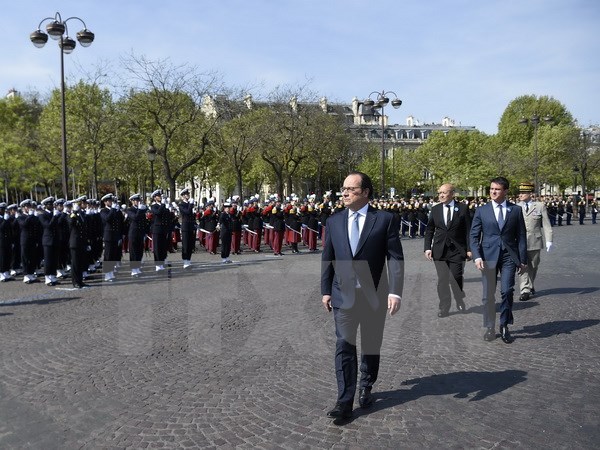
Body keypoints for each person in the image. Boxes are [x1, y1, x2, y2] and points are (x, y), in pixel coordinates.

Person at [321, 171, 404, 423]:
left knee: (370, 343)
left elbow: (395, 257)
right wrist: (325, 290)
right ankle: (344, 402)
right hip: (342, 294)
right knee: (344, 345)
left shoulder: (385, 220)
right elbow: (328, 257)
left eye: (351, 189)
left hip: (374, 294)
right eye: (343, 189)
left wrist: (395, 291)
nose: (344, 193)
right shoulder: (334, 221)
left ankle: (366, 383)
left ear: (365, 192)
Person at [469, 177, 527, 344]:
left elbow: (521, 236)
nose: (493, 192)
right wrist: (477, 256)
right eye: (491, 189)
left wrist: (522, 259)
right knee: (488, 294)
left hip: (509, 255)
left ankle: (504, 325)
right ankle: (489, 326)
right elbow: (473, 236)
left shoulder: (515, 210)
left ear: (506, 191)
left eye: (497, 189)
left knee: (507, 291)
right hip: (488, 256)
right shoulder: (482, 210)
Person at [424, 183, 472, 317]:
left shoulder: (462, 208)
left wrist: (469, 249)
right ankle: (444, 306)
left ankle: (459, 296)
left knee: (455, 277)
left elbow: (468, 230)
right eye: (439, 193)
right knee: (442, 279)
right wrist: (427, 247)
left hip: (457, 249)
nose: (441, 195)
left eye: (444, 193)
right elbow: (429, 230)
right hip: (439, 250)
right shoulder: (435, 209)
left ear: (452, 194)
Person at [516, 183, 553, 301]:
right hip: (520, 241)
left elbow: (546, 224)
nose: (520, 195)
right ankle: (524, 289)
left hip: (535, 241)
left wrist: (549, 240)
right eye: (520, 192)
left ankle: (531, 284)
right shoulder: (516, 207)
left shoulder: (540, 206)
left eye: (523, 193)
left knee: (534, 265)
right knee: (522, 266)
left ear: (530, 194)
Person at [100, 194, 124, 282]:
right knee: (108, 255)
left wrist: (118, 210)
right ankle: (107, 274)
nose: (111, 202)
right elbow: (107, 219)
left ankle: (111, 273)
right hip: (108, 236)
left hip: (115, 236)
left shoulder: (115, 210)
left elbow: (120, 222)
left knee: (114, 255)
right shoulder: (103, 211)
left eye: (111, 201)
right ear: (105, 202)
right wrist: (113, 209)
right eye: (109, 201)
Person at [126, 194, 148, 277]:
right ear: (132, 201)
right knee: (133, 251)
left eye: (138, 200)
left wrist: (145, 232)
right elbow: (135, 218)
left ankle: (138, 268)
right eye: (135, 200)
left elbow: (144, 222)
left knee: (139, 251)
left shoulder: (141, 209)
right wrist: (139, 210)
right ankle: (133, 270)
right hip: (133, 233)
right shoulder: (130, 210)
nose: (137, 202)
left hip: (140, 233)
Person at [150, 189, 170, 271]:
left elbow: (167, 217)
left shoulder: (163, 206)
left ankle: (161, 262)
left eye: (160, 196)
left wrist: (168, 209)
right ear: (155, 198)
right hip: (157, 229)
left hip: (163, 229)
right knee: (157, 247)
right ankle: (157, 264)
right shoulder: (154, 206)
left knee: (162, 247)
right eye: (158, 196)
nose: (160, 197)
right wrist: (163, 205)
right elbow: (157, 213)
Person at [178, 188, 196, 269]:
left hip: (190, 226)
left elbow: (191, 215)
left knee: (190, 244)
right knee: (185, 244)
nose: (188, 195)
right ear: (182, 196)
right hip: (185, 227)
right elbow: (187, 212)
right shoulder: (181, 204)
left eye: (188, 194)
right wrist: (191, 204)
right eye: (186, 194)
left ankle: (188, 260)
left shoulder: (189, 204)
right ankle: (185, 261)